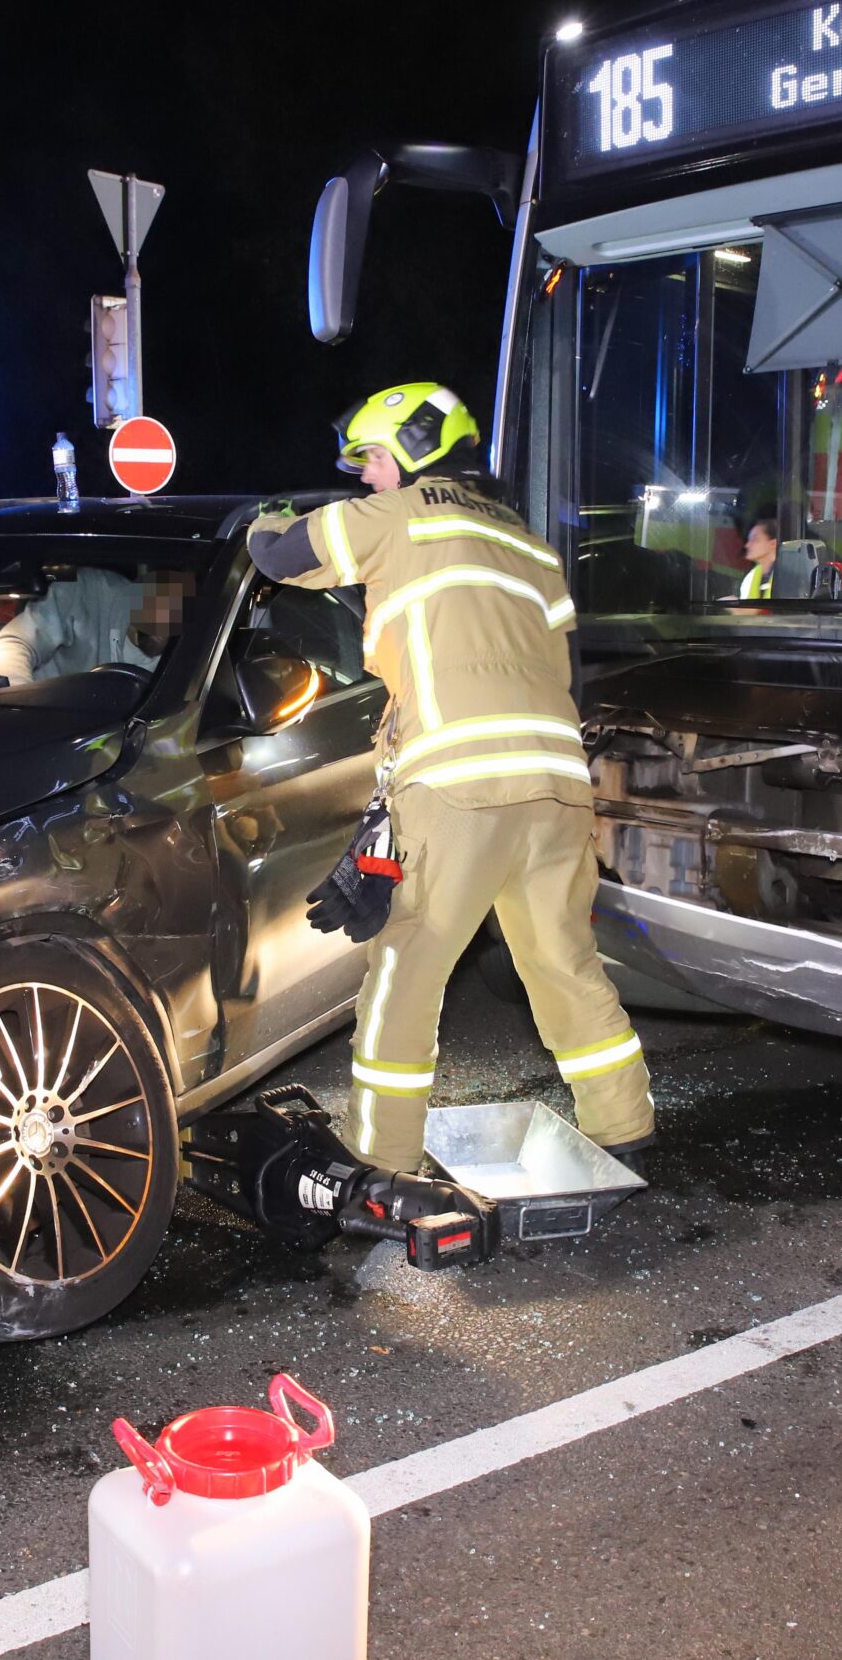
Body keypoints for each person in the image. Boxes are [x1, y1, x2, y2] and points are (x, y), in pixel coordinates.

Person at [246, 382, 654, 1172]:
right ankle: (625, 1126)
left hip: (460, 786)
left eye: (369, 458)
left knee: (406, 968)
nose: (365, 474)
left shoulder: (398, 515)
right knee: (563, 963)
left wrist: (261, 513)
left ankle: (382, 1159)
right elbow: (566, 669)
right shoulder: (532, 546)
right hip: (559, 790)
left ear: (416, 444)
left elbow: (277, 553)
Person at [0, 566, 195, 684]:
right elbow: (10, 644)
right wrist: (22, 704)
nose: (162, 629)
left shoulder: (187, 659)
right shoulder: (87, 591)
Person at [738, 517, 780, 599]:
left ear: (773, 543)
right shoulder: (750, 578)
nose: (747, 545)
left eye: (754, 539)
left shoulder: (787, 576)